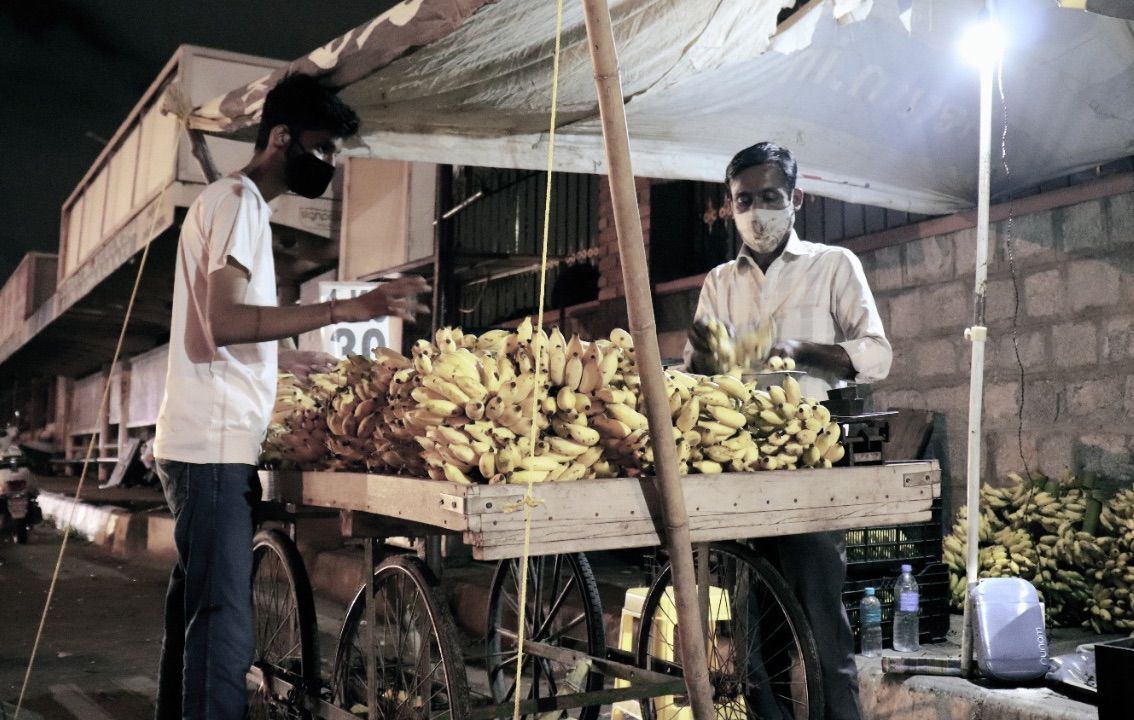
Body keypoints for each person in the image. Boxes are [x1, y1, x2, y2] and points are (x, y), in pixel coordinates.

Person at [152, 73, 429, 720]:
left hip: (199, 444)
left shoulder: (225, 203)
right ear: (281, 138)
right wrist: (344, 311)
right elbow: (223, 321)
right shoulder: (240, 202)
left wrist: (285, 357)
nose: (328, 164)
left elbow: (224, 326)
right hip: (213, 452)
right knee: (223, 632)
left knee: (196, 619)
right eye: (322, 148)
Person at [685, 142, 891, 720]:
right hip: (737, 464)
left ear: (796, 199)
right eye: (743, 200)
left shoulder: (834, 265)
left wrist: (797, 352)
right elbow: (698, 367)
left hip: (812, 463)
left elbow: (877, 354)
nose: (756, 211)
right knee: (753, 641)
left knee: (823, 633)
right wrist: (711, 364)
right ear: (730, 207)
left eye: (769, 197)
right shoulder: (721, 282)